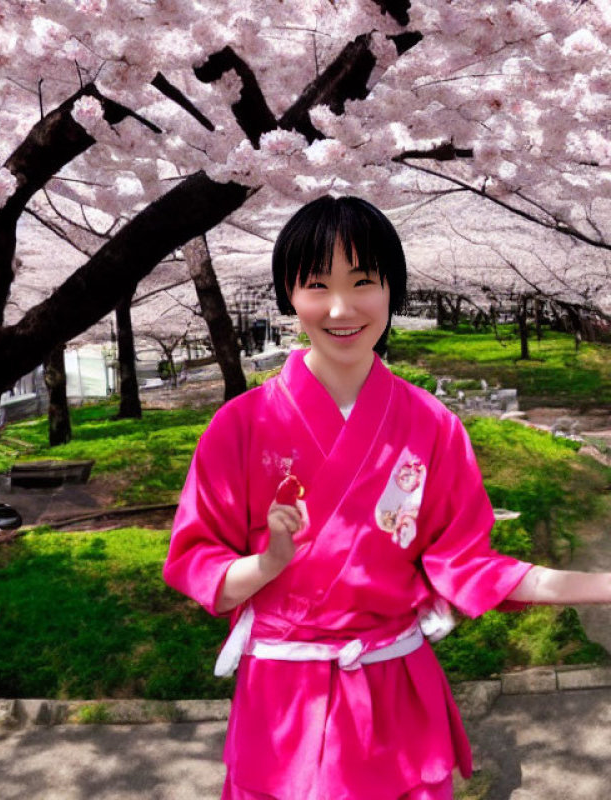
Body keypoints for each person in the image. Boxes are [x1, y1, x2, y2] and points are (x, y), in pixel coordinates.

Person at [162, 195, 611, 800]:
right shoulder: (243, 426)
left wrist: (600, 584)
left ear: (392, 290)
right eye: (317, 285)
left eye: (364, 281)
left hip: (394, 689)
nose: (341, 308)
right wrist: (269, 564)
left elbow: (467, 564)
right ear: (288, 296)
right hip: (284, 698)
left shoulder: (431, 425)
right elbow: (196, 559)